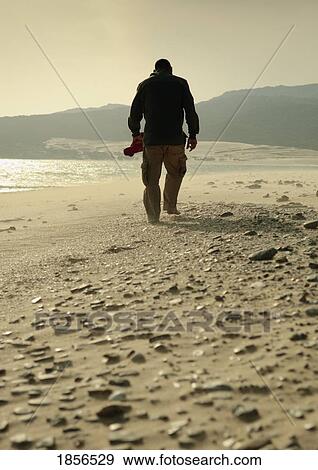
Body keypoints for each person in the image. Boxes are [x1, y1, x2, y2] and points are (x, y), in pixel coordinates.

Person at [128, 58, 199, 224]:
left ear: (155, 69)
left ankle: (153, 217)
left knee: (151, 180)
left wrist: (135, 132)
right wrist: (193, 134)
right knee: (176, 173)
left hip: (152, 140)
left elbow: (135, 111)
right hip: (175, 139)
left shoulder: (145, 85)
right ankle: (170, 206)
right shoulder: (181, 83)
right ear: (171, 69)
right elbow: (190, 111)